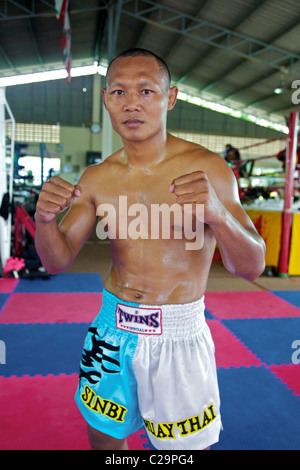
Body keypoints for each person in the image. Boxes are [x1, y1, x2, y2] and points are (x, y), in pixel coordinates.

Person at [34, 48, 266, 451]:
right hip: (112, 328)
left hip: (180, 332)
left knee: (182, 452)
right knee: (104, 439)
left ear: (170, 97)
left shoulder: (209, 169)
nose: (132, 103)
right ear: (106, 99)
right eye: (119, 92)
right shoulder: (97, 177)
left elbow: (251, 267)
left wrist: (219, 216)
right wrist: (44, 222)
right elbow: (56, 260)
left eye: (146, 91)